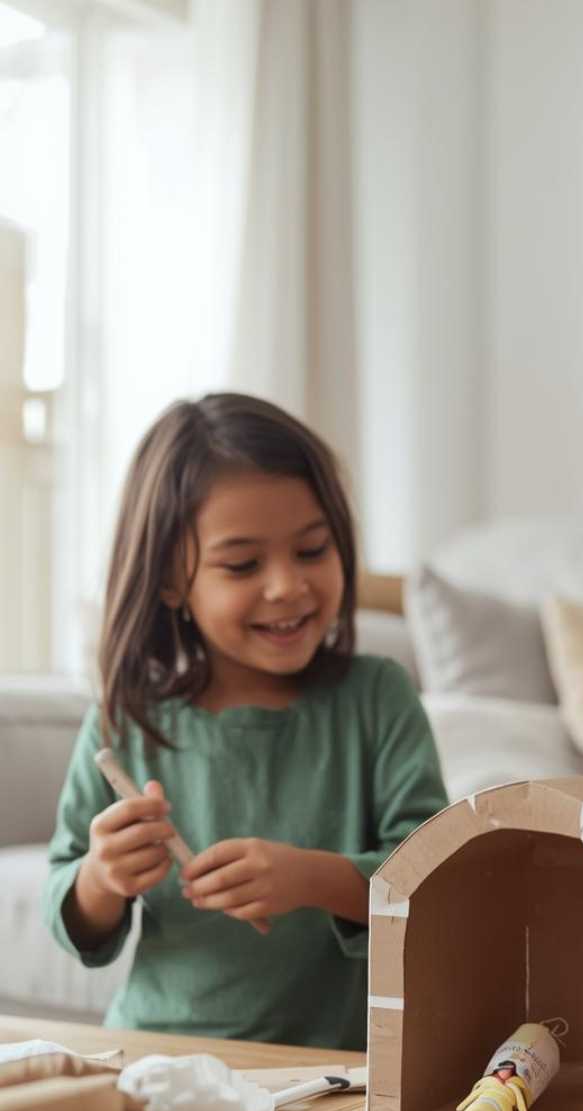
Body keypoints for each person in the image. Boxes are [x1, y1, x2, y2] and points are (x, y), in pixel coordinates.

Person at [44, 393, 449, 1048]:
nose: (287, 586)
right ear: (173, 582)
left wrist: (313, 877)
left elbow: (438, 884)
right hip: (156, 1056)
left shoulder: (378, 698)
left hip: (332, 1075)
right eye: (243, 565)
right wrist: (102, 876)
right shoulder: (127, 721)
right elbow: (67, 904)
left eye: (313, 551)